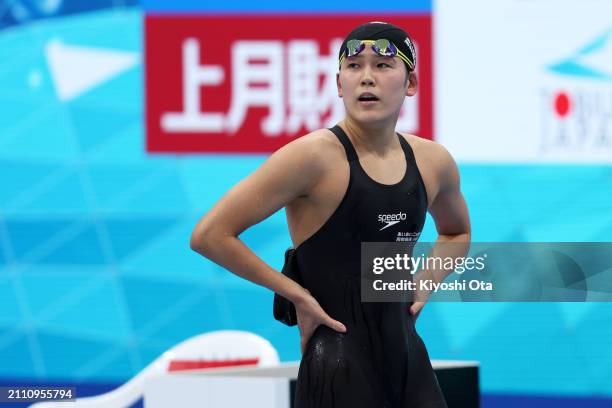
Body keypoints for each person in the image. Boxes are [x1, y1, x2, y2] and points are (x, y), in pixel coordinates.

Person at [190, 21, 470, 408]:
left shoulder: (432, 161)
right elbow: (210, 234)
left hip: (408, 358)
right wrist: (296, 294)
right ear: (339, 84)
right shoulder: (313, 157)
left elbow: (456, 233)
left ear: (411, 83)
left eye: (383, 66)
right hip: (336, 363)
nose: (367, 77)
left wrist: (426, 281)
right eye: (354, 66)